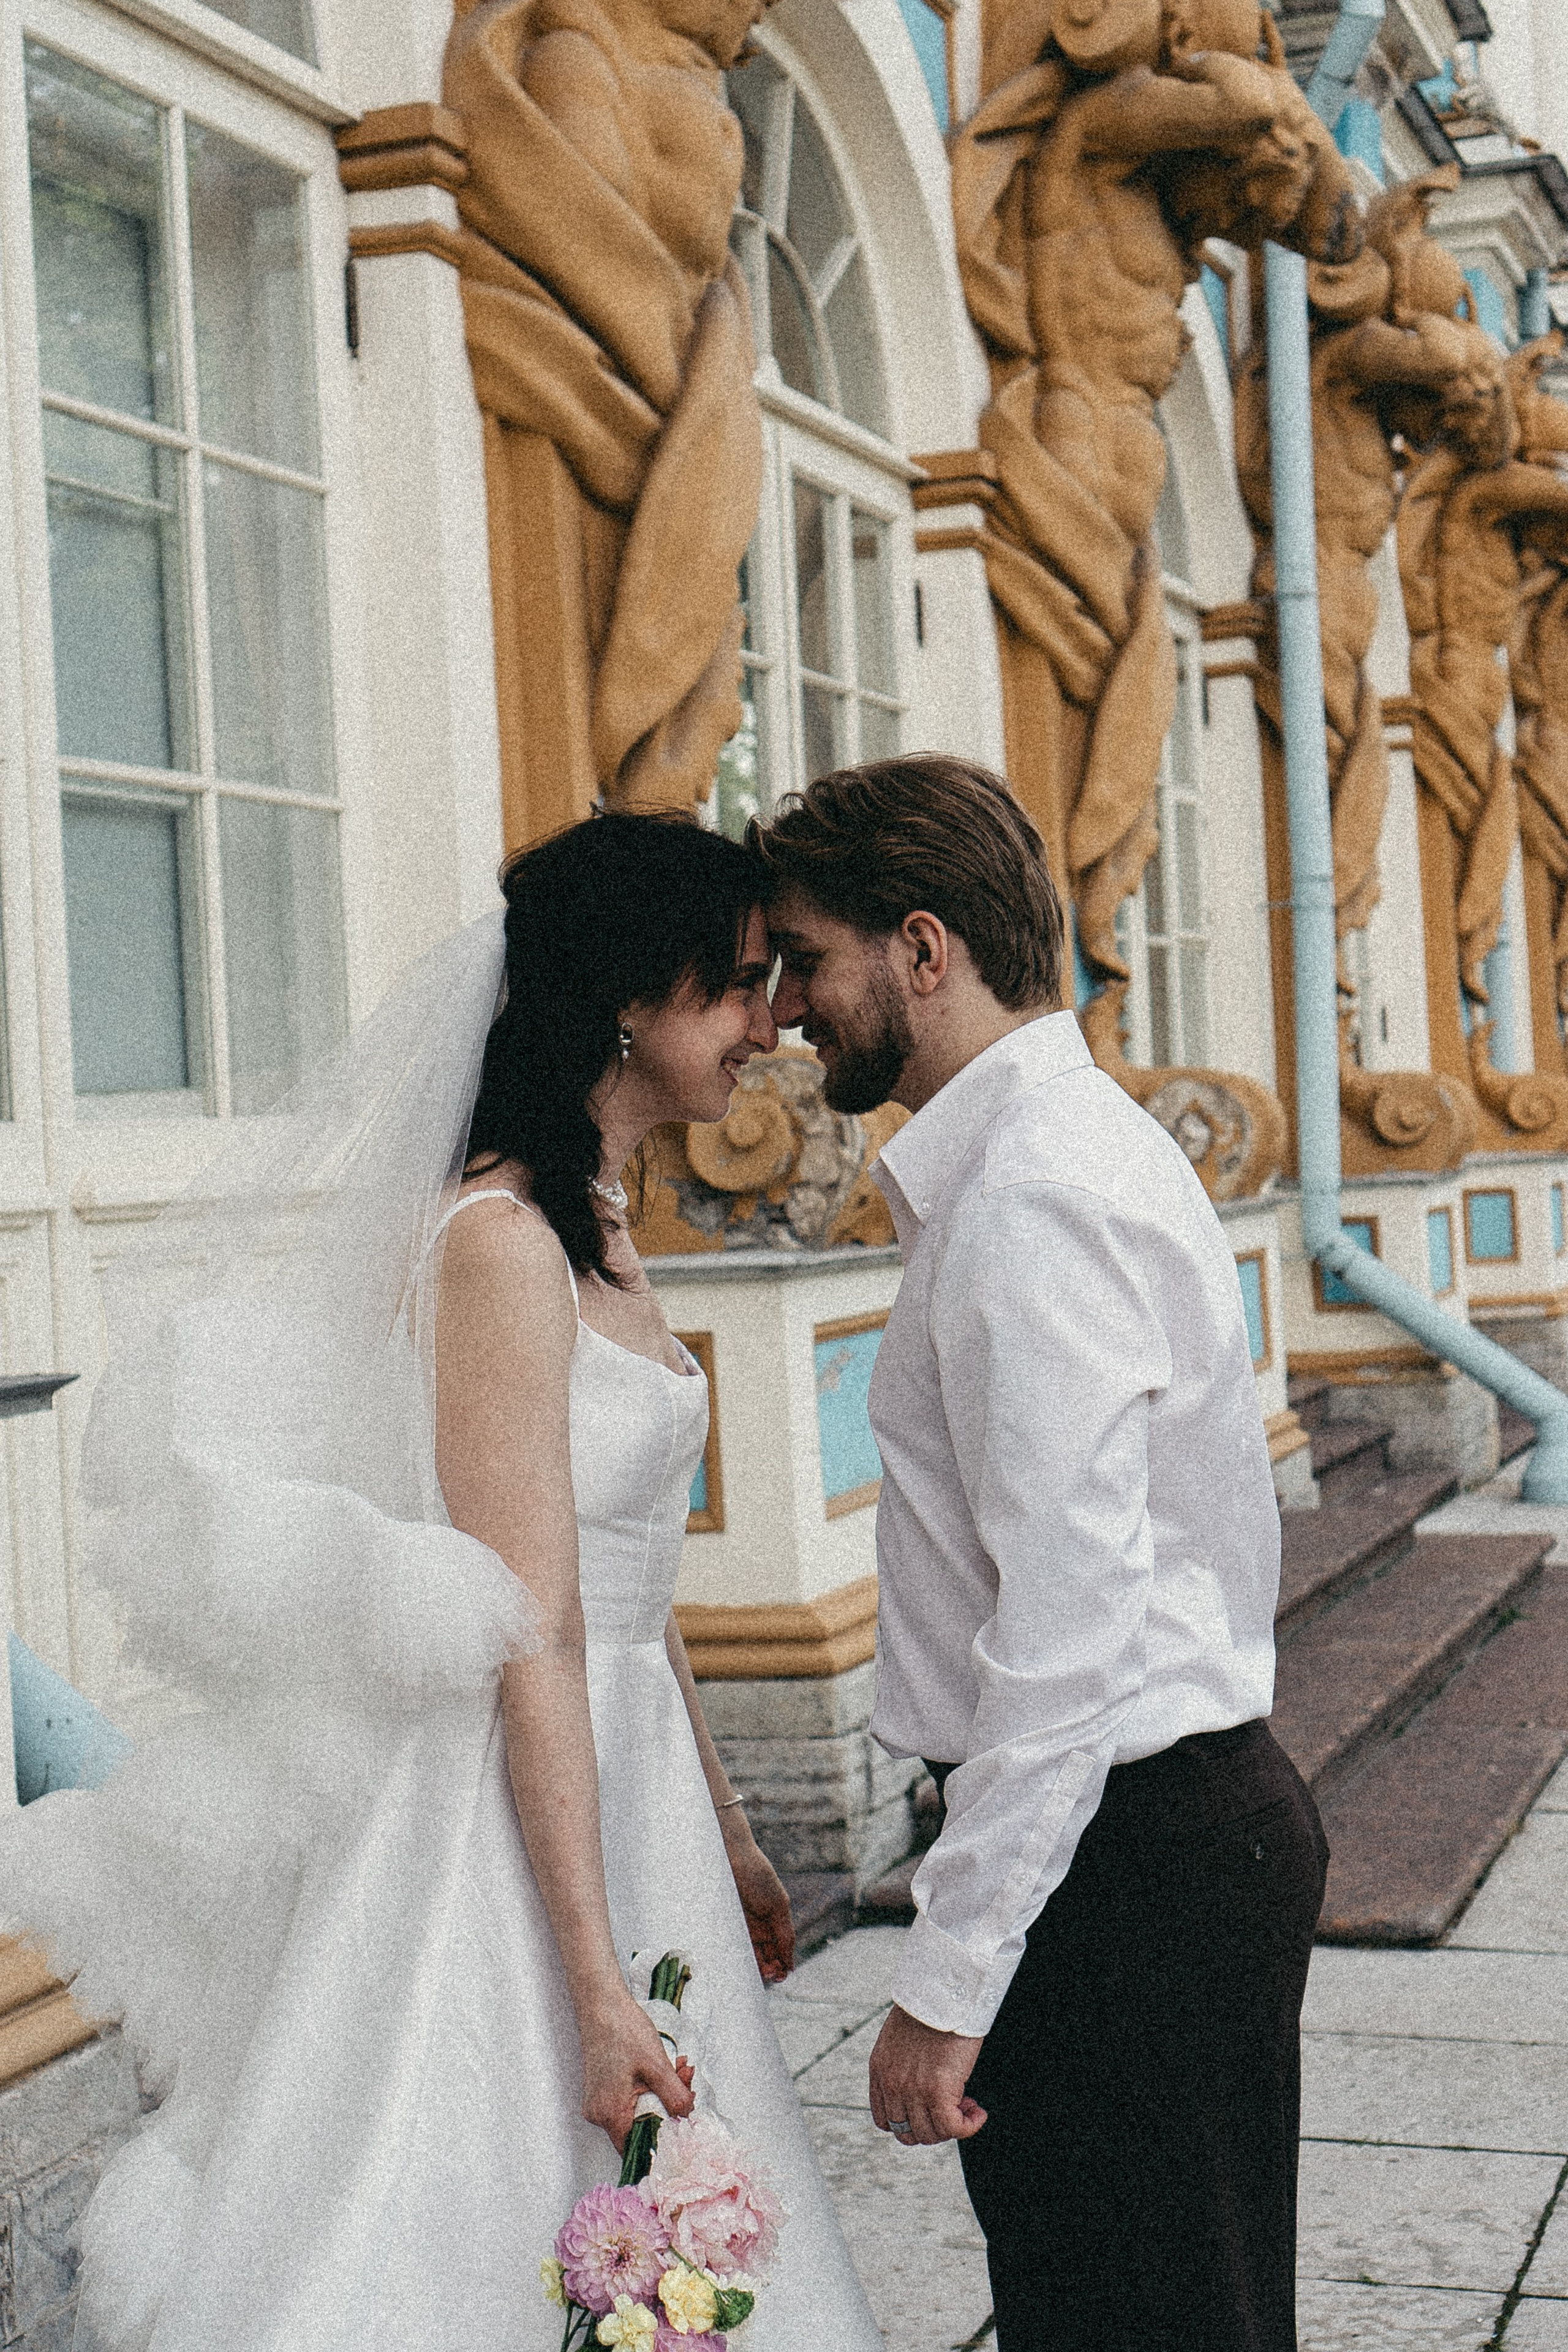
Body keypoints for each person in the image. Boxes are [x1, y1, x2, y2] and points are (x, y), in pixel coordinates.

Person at [2, 813, 883, 2352]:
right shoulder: (496, 1242)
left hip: (632, 1782)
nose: (769, 1025)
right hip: (504, 1798)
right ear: (628, 999)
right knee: (482, 2182)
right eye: (738, 986)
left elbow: (627, 1578)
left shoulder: (602, 1221)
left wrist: (731, 1829)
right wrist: (594, 1977)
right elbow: (526, 1623)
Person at [752, 754, 1329, 2352]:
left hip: (1124, 1865)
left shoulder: (1030, 1199)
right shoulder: (1047, 1158)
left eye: (809, 958)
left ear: (920, 950)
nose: (790, 1008)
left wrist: (948, 1978)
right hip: (1147, 1843)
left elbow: (1067, 1638)